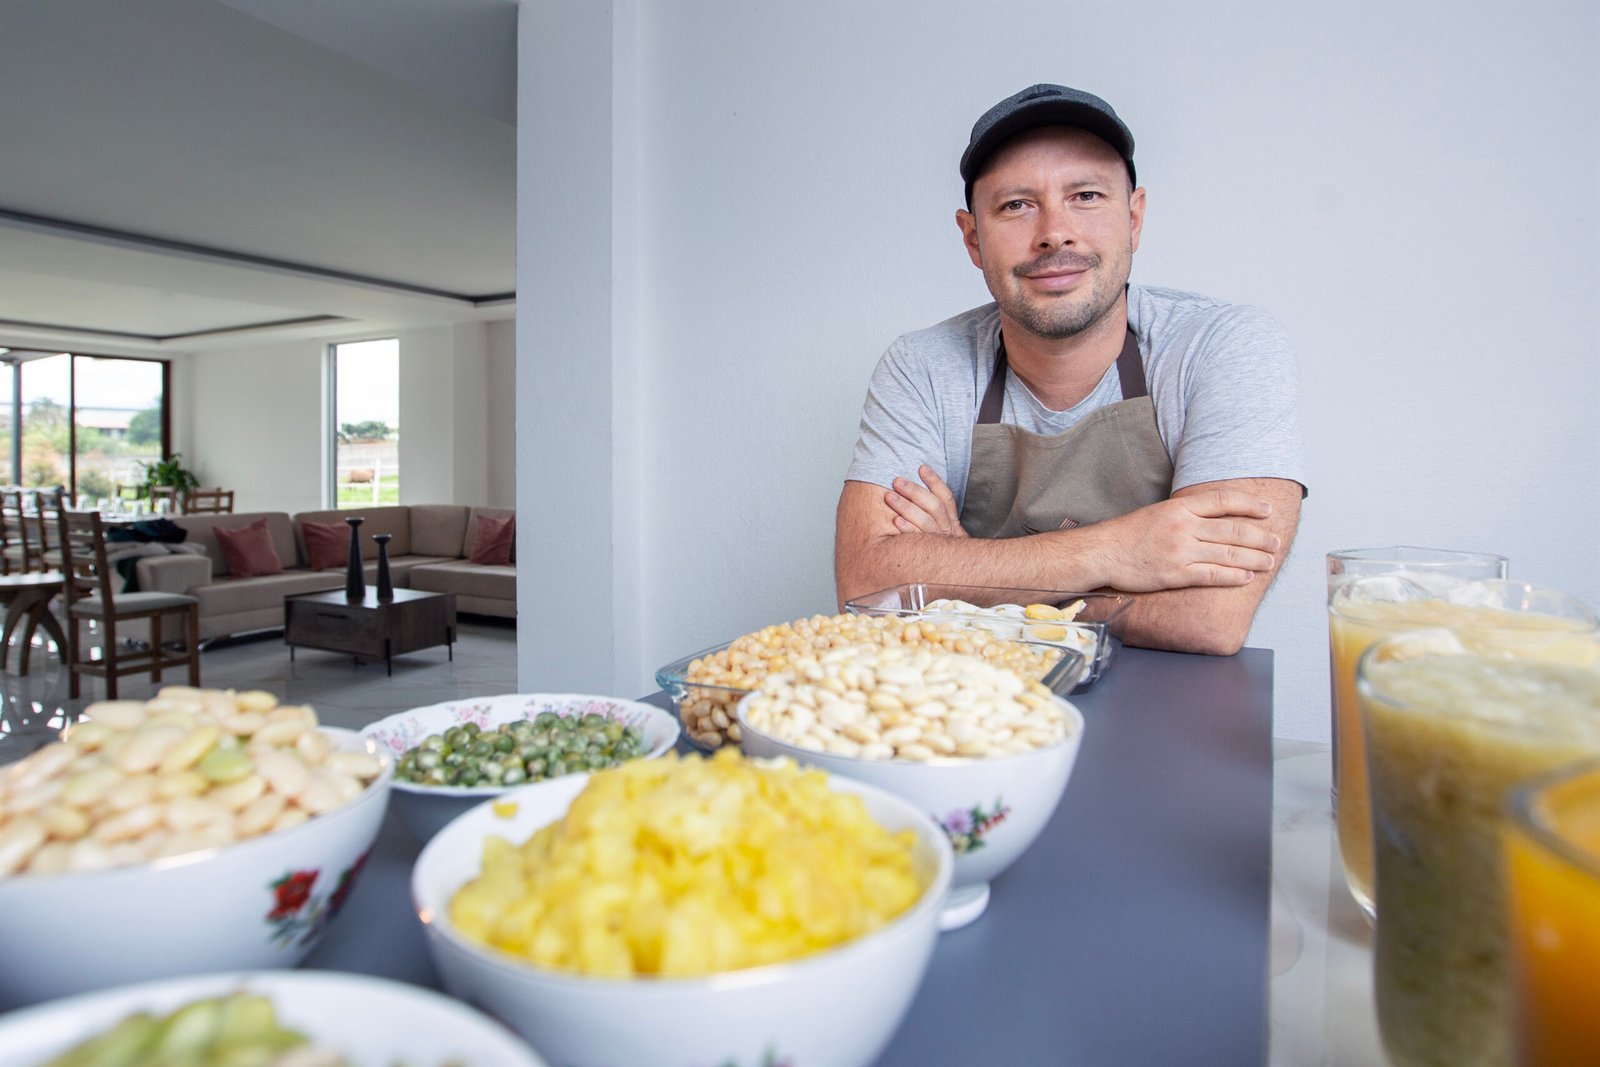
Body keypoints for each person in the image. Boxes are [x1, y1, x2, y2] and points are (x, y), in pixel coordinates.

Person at [834, 84, 1305, 655]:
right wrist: (1116, 549)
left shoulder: (1222, 346)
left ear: (1133, 219)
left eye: (1085, 195)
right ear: (972, 237)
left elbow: (1210, 617)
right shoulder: (924, 366)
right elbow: (867, 584)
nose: (1055, 232)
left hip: (1172, 715)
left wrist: (960, 580)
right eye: (1016, 205)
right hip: (974, 711)